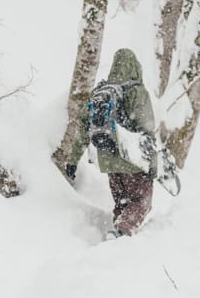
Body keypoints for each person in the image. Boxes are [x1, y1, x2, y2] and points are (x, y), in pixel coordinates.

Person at [65, 48, 157, 238]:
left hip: (108, 159)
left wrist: (73, 160)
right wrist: (153, 163)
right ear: (135, 66)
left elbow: (83, 128)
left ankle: (115, 240)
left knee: (122, 203)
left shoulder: (100, 92)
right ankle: (122, 232)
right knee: (141, 202)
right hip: (132, 158)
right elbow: (146, 131)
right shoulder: (136, 92)